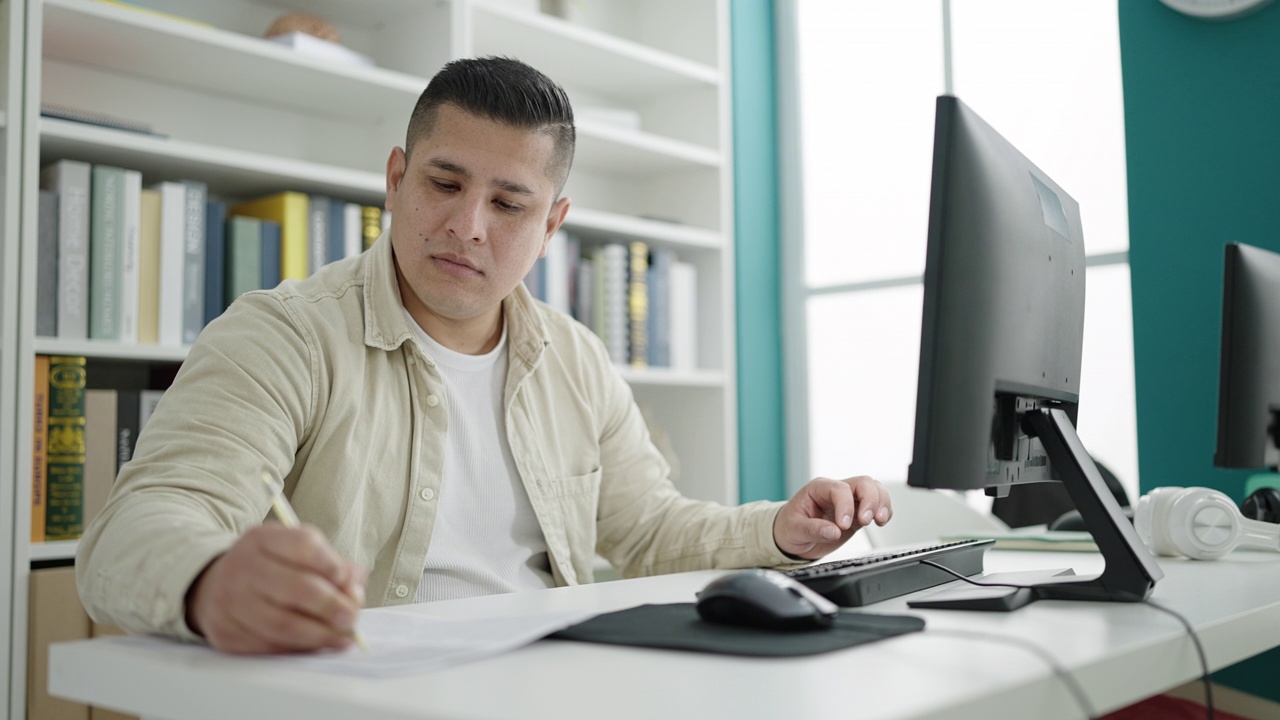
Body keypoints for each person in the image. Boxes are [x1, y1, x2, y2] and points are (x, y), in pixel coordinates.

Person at [77, 56, 893, 655]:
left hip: (553, 687)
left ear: (552, 226)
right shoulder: (280, 336)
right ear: (395, 179)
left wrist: (780, 534)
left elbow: (647, 530)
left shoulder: (574, 358)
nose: (469, 225)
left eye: (509, 203)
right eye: (444, 183)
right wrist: (211, 578)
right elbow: (131, 535)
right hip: (362, 691)